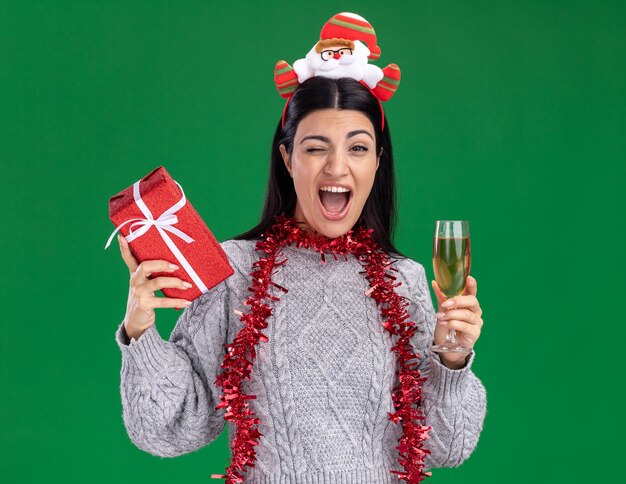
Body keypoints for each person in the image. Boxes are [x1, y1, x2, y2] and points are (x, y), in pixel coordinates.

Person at [114, 13, 486, 484]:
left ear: (377, 161)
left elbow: (445, 448)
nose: (337, 167)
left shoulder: (404, 279)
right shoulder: (235, 269)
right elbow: (170, 429)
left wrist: (451, 359)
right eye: (315, 148)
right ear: (287, 158)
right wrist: (140, 332)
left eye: (357, 148)